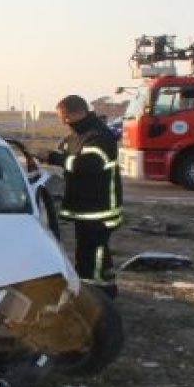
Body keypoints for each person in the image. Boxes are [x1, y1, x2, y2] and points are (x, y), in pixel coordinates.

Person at [45, 95, 122, 297]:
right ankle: (87, 287)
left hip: (100, 208)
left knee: (95, 251)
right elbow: (67, 153)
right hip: (86, 207)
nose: (63, 121)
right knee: (85, 250)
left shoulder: (99, 136)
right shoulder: (76, 136)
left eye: (64, 116)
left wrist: (56, 159)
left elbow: (87, 165)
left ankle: (100, 292)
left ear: (78, 112)